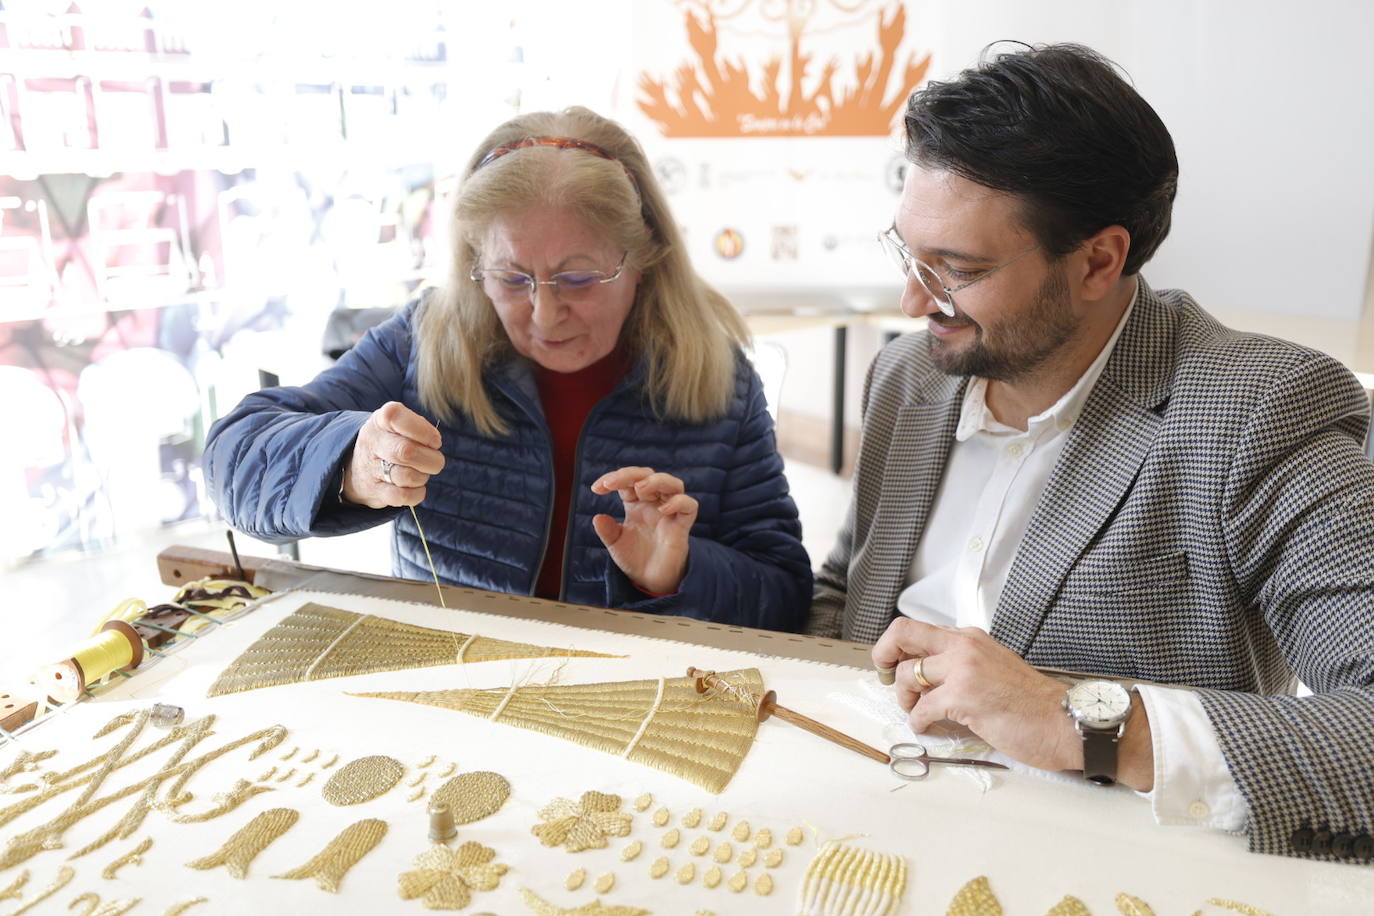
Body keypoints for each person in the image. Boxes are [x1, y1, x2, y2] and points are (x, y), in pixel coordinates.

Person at [808, 43, 1374, 861]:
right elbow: (846, 593)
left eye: (955, 270)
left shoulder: (1259, 410)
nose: (910, 300)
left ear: (1099, 261)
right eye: (909, 255)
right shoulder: (909, 377)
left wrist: (1078, 721)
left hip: (1098, 863)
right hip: (864, 811)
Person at [204, 107, 811, 631]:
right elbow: (233, 458)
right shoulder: (428, 339)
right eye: (511, 278)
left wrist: (678, 572)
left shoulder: (717, 377)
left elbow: (784, 595)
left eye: (578, 278)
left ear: (644, 258)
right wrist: (346, 463)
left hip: (624, 704)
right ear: (475, 261)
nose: (545, 314)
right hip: (451, 687)